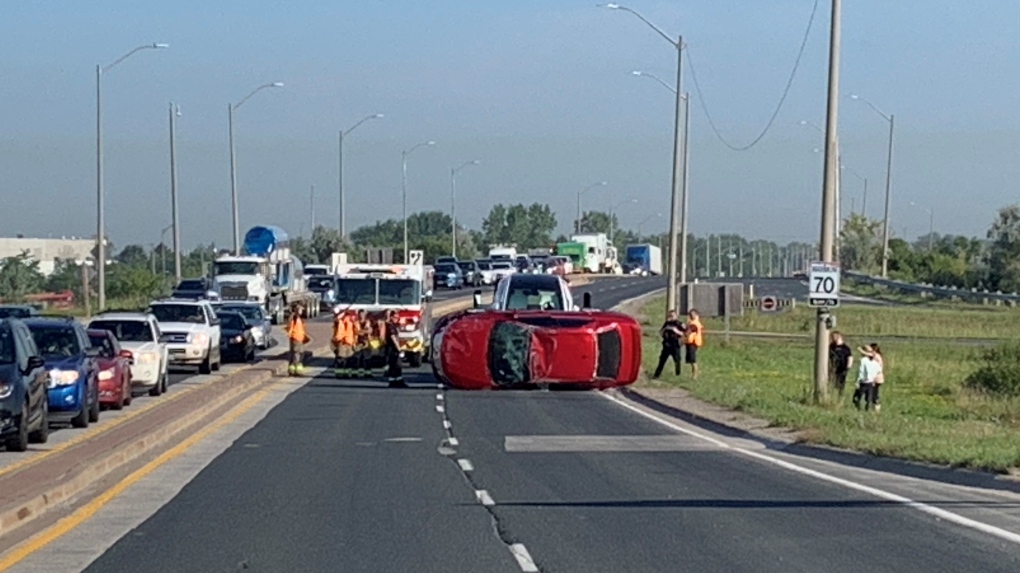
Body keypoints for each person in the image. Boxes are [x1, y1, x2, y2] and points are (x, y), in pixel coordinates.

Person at [652, 310, 685, 379]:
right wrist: (665, 329)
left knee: (677, 360)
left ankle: (678, 374)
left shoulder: (680, 324)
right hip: (667, 344)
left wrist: (676, 330)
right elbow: (661, 333)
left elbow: (684, 334)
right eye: (670, 316)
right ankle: (656, 375)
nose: (671, 317)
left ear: (676, 316)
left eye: (672, 316)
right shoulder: (667, 323)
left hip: (675, 344)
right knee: (662, 360)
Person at [852, 345, 882, 410]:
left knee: (860, 397)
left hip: (866, 381)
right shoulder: (873, 360)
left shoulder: (865, 360)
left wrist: (857, 381)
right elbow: (878, 370)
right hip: (871, 381)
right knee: (870, 397)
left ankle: (861, 407)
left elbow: (861, 371)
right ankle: (869, 408)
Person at [286, 303, 310, 376]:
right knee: (297, 353)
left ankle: (293, 369)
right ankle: (297, 370)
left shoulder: (298, 318)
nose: (301, 311)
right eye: (300, 310)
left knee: (298, 353)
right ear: (296, 310)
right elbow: (290, 327)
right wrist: (291, 335)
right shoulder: (294, 318)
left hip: (299, 338)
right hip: (296, 338)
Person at [828, 331, 853, 397]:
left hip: (842, 369)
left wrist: (847, 368)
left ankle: (840, 396)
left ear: (839, 337)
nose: (832, 339)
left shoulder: (845, 348)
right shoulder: (831, 347)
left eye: (834, 337)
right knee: (832, 383)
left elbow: (849, 358)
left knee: (841, 385)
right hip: (832, 368)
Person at [383, 310, 405, 387]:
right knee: (396, 365)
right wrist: (398, 348)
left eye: (397, 317)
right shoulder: (390, 326)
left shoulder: (393, 325)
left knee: (395, 365)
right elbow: (393, 337)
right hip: (392, 349)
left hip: (392, 348)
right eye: (395, 317)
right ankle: (396, 381)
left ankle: (396, 381)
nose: (397, 318)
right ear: (391, 317)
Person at [685, 309, 704, 380]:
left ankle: (695, 373)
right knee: (690, 359)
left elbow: (689, 332)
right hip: (689, 342)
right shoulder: (691, 323)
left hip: (694, 343)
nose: (690, 315)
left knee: (692, 359)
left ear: (696, 315)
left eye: (692, 314)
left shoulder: (695, 324)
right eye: (690, 314)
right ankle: (694, 372)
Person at [869, 343, 885, 413]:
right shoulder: (878, 356)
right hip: (878, 378)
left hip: (876, 378)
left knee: (874, 393)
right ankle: (875, 408)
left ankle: (876, 408)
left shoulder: (875, 356)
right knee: (874, 393)